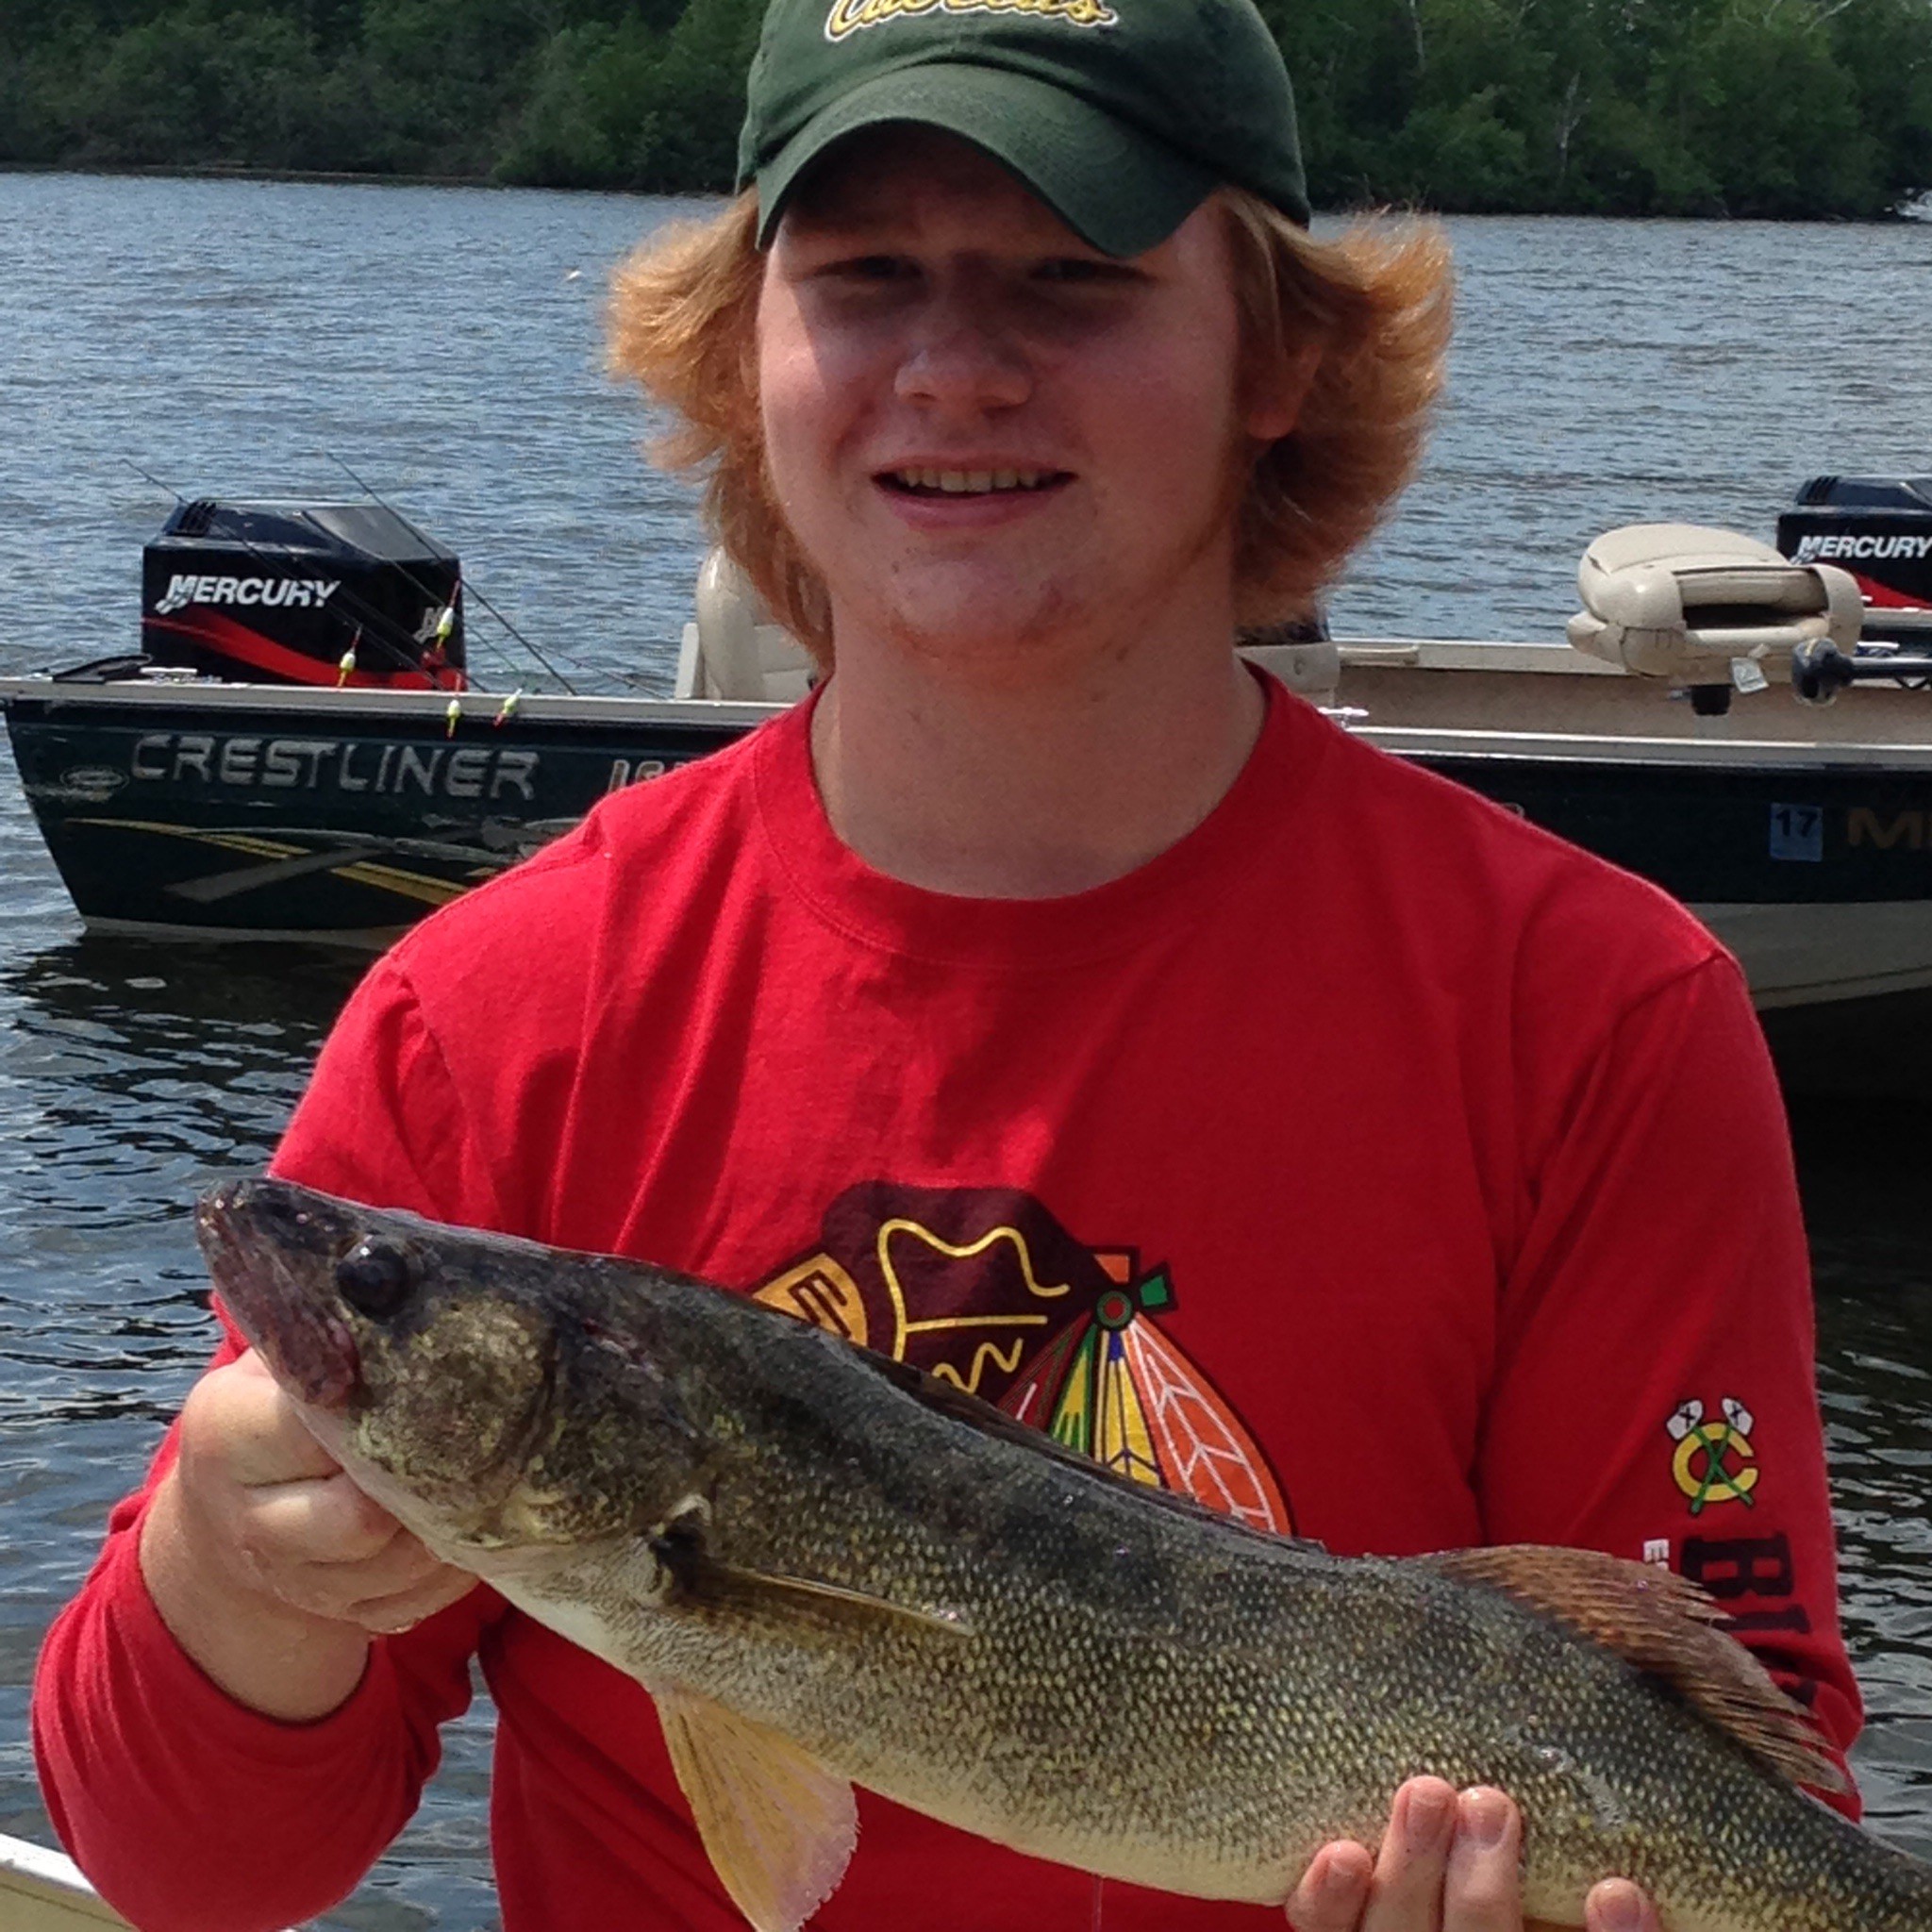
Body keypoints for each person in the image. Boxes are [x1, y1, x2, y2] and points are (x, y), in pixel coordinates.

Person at [34, 0, 1861, 1926]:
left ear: (1277, 359)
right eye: (864, 273)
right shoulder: (496, 1020)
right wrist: (232, 1580)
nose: (954, 369)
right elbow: (193, 1871)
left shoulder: (1592, 1015)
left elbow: (1741, 1763)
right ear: (744, 357)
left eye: (1072, 279)